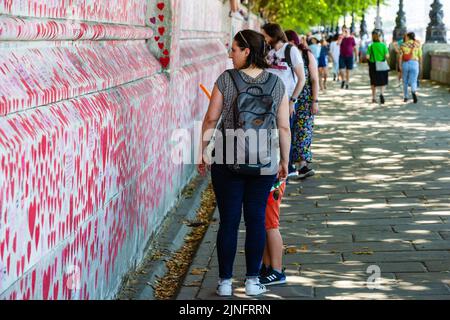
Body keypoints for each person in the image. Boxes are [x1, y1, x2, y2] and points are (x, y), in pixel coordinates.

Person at [198, 29, 291, 297]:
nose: (230, 55)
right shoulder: (276, 84)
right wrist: (284, 160)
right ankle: (252, 281)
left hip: (227, 160)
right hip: (263, 162)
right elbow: (284, 128)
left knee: (228, 221)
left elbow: (210, 119)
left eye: (234, 49)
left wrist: (202, 151)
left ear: (247, 51)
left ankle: (225, 283)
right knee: (255, 220)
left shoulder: (226, 80)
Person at [262, 24, 305, 178]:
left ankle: (288, 166)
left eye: (265, 35)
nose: (264, 39)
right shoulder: (267, 51)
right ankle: (273, 166)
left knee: (285, 132)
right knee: (270, 134)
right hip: (267, 101)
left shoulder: (290, 50)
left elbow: (302, 79)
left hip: (286, 100)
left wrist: (292, 100)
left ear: (273, 35)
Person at [290, 39, 320, 179]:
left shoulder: (307, 55)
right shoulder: (282, 55)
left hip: (305, 101)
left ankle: (302, 165)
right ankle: (289, 164)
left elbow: (314, 80)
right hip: (287, 99)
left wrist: (315, 101)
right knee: (288, 130)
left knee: (303, 132)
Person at [259, 179, 287, 285]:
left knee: (271, 226)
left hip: (272, 183)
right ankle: (268, 266)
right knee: (265, 226)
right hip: (269, 181)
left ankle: (277, 271)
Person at [366, 29, 389, 104]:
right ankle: (382, 94)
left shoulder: (370, 46)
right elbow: (387, 56)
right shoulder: (383, 45)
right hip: (382, 65)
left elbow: (367, 57)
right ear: (380, 37)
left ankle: (373, 98)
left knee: (373, 82)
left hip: (373, 65)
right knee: (383, 81)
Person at [399, 32, 422, 103]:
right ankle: (413, 91)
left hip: (405, 63)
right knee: (413, 80)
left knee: (405, 81)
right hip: (414, 63)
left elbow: (400, 56)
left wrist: (400, 65)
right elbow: (420, 56)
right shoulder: (417, 44)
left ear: (408, 37)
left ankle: (406, 97)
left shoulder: (403, 45)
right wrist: (421, 65)